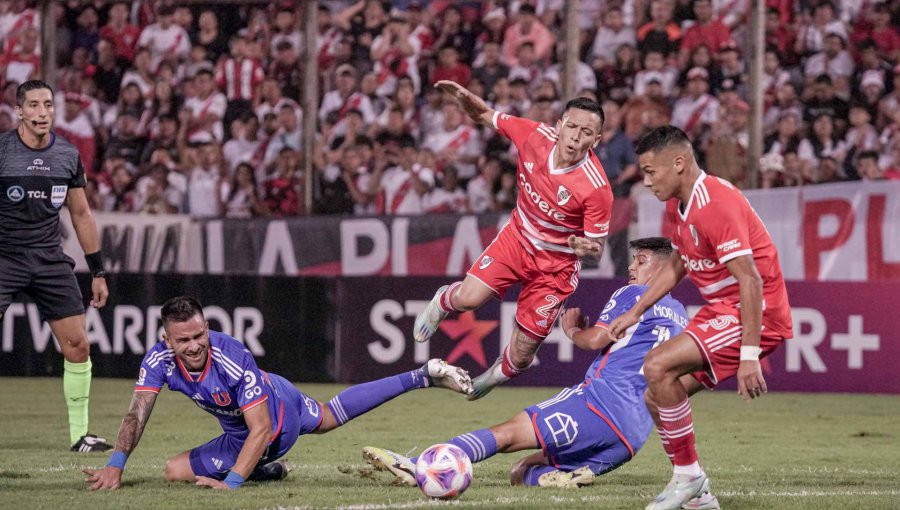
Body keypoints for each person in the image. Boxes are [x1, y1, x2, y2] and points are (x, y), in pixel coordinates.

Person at [364, 238, 717, 507]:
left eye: (641, 261)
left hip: (599, 404)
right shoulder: (681, 316)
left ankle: (420, 466)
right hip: (630, 438)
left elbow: (595, 340)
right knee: (521, 472)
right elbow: (686, 381)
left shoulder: (634, 294)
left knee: (504, 434)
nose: (632, 269)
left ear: (663, 269)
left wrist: (571, 330)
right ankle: (553, 477)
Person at [82, 296, 473, 490]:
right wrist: (116, 463)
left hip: (270, 420)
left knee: (174, 470)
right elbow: (137, 413)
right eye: (183, 340)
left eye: (200, 335)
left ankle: (263, 468)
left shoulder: (231, 358)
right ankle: (422, 375)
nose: (195, 345)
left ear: (208, 328)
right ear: (166, 339)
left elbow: (261, 429)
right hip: (270, 392)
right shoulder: (158, 361)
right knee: (327, 415)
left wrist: (232, 484)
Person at [609, 126, 792, 510]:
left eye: (649, 171)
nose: (645, 181)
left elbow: (751, 280)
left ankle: (688, 478)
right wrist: (636, 311)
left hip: (753, 311)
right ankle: (699, 496)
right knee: (656, 396)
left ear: (678, 163)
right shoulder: (680, 203)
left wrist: (749, 356)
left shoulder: (716, 204)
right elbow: (679, 262)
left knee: (656, 365)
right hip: (722, 310)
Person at [413, 80, 614, 400]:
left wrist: (584, 247)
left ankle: (493, 375)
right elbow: (484, 114)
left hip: (556, 267)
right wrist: (466, 97)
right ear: (559, 125)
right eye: (572, 126)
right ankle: (442, 300)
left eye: (586, 132)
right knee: (468, 299)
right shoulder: (533, 134)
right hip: (517, 240)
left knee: (521, 355)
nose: (576, 136)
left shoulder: (596, 187)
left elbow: (597, 247)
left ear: (597, 140)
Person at [0, 80, 111, 452]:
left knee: (78, 345)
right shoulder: (2, 152)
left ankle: (80, 436)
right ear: (19, 111)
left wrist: (97, 271)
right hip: (5, 258)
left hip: (49, 260)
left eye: (48, 104)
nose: (43, 112)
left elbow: (81, 214)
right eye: (33, 105)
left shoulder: (67, 154)